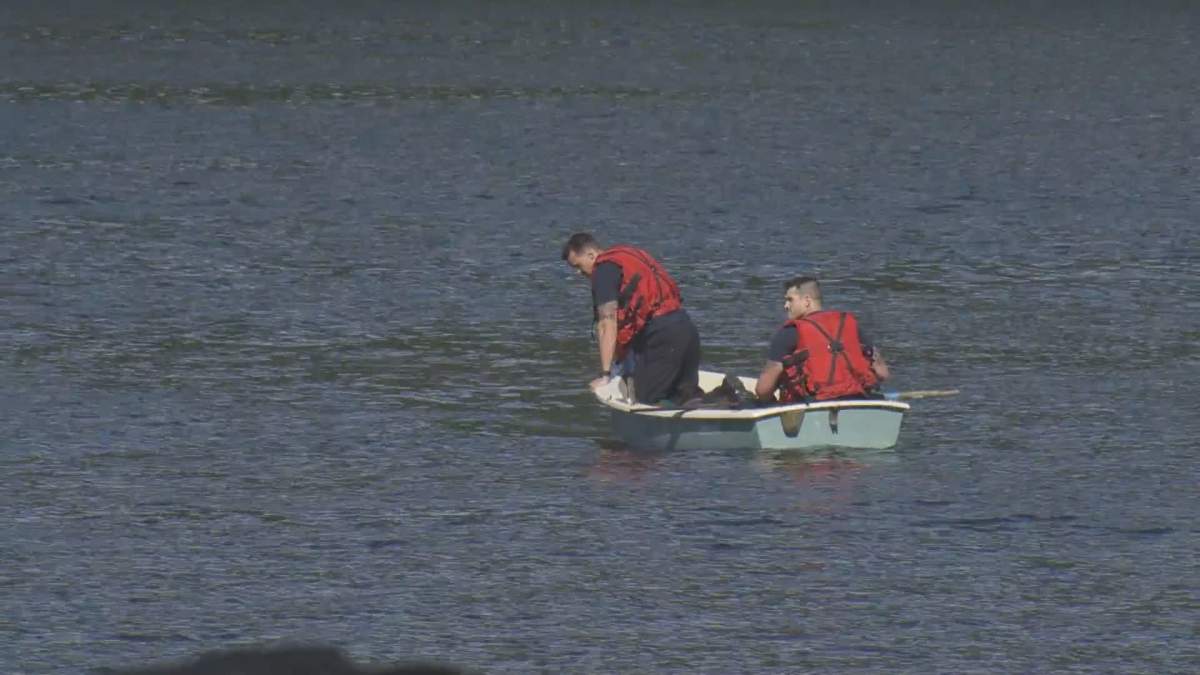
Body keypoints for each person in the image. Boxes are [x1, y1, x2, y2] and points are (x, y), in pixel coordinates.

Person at [561, 232, 701, 405]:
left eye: (578, 265)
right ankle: (722, 399)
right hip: (686, 328)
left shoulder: (603, 269)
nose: (577, 272)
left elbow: (607, 322)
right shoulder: (628, 256)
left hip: (663, 336)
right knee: (686, 395)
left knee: (643, 399)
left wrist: (605, 375)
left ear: (591, 255)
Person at [754, 276, 889, 403]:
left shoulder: (790, 332)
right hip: (858, 399)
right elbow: (883, 373)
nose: (786, 306)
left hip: (813, 404)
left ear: (807, 301)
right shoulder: (849, 324)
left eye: (790, 300)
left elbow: (763, 390)